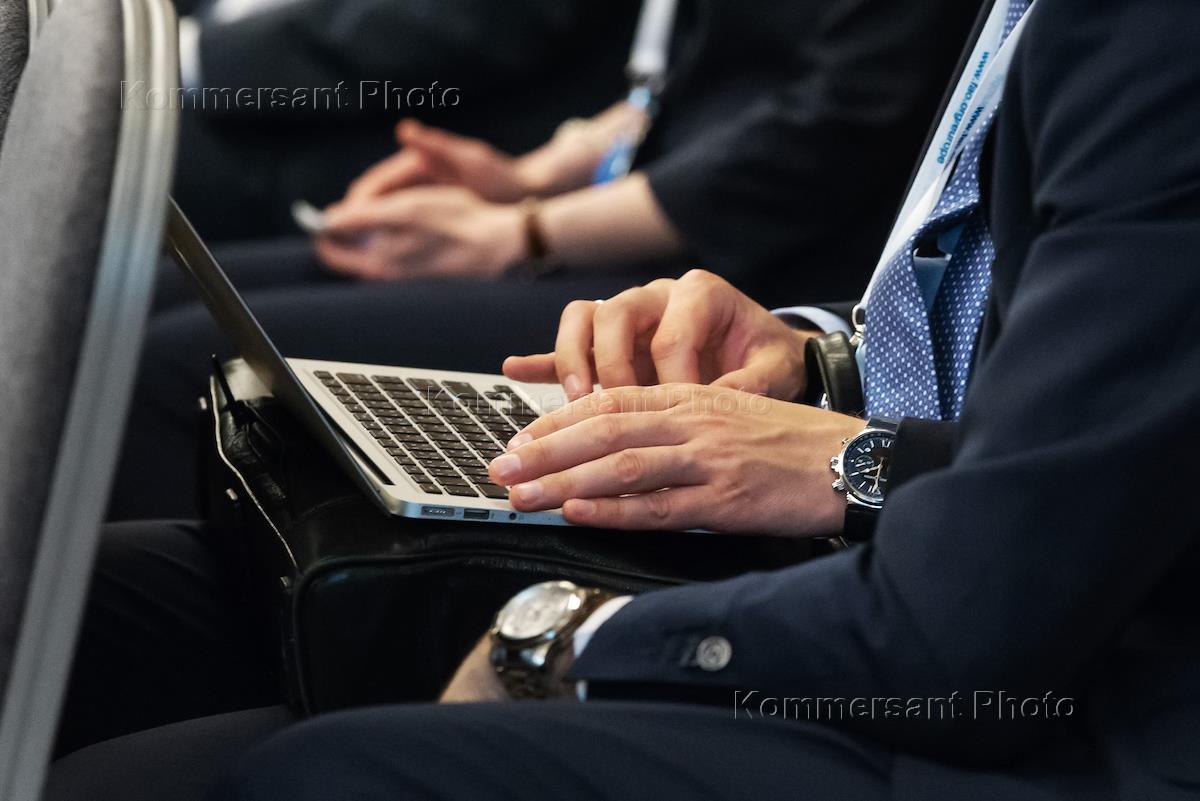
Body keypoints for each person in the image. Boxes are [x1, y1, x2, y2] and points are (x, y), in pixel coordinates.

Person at [47, 0, 1200, 798]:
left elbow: (980, 610)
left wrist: (556, 640)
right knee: (116, 608)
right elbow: (1001, 327)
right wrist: (814, 359)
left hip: (1083, 705)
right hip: (936, 536)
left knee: (301, 767)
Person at [113, 0, 982, 520]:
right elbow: (690, 89)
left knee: (182, 359)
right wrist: (530, 177)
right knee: (157, 299)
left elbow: (829, 133)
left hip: (745, 279)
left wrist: (521, 232)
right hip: (650, 239)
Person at [170, 0, 641, 240]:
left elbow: (461, 23)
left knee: (170, 351)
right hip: (252, 79)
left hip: (374, 126)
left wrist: (525, 218)